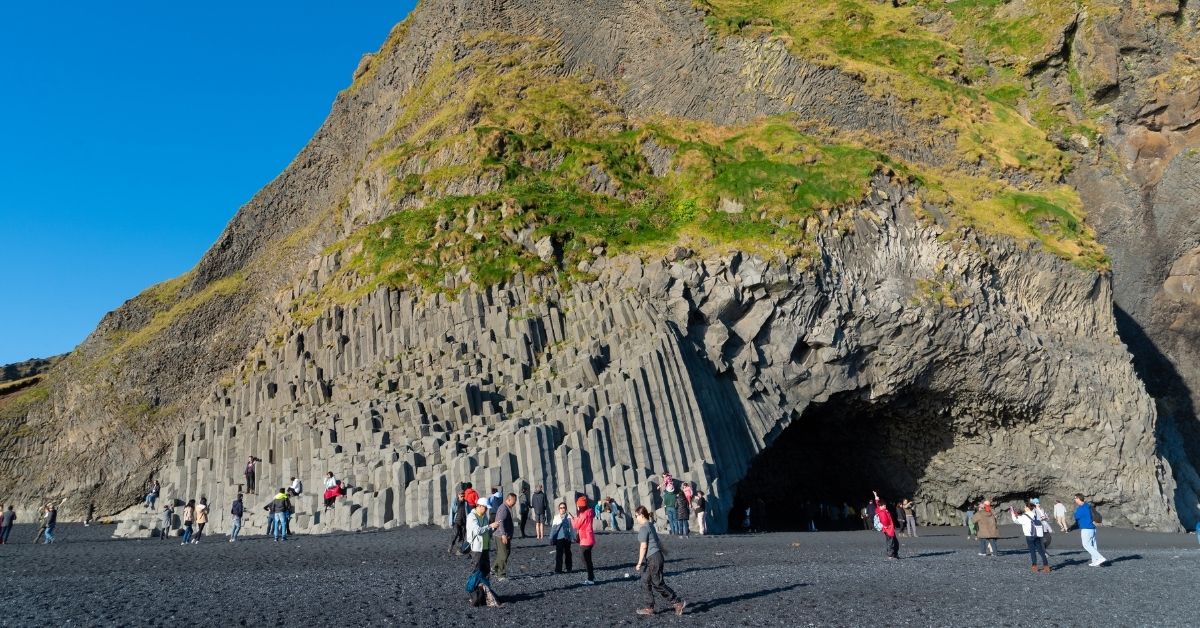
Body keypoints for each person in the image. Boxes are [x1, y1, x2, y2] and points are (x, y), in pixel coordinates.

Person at [633, 505, 686, 616]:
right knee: (645, 580)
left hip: (653, 558)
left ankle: (677, 602)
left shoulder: (644, 528)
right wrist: (663, 551)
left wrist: (639, 563)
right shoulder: (650, 525)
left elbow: (643, 546)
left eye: (636, 515)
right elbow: (657, 541)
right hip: (655, 557)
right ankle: (649, 607)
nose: (636, 518)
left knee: (657, 583)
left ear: (641, 515)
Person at [1011, 502, 1052, 572]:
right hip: (1037, 534)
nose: (1024, 508)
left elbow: (1016, 521)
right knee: (1041, 551)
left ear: (1027, 508)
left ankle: (1034, 566)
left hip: (1029, 536)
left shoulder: (1024, 516)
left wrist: (1012, 514)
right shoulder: (1034, 514)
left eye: (1025, 507)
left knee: (1032, 551)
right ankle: (1046, 566)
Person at [466, 500, 498, 579]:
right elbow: (477, 531)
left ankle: (485, 589)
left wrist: (494, 528)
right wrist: (490, 526)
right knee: (477, 571)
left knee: (486, 571)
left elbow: (486, 530)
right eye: (485, 508)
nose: (487, 510)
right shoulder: (472, 516)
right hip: (476, 548)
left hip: (485, 547)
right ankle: (475, 589)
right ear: (479, 506)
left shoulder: (484, 516)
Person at [1073, 493, 1107, 566]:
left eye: (1075, 498)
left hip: (1086, 529)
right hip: (1092, 528)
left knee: (1086, 545)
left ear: (1078, 498)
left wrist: (1070, 528)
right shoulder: (1088, 506)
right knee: (1093, 545)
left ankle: (1100, 558)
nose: (1074, 499)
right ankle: (1096, 561)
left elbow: (1077, 519)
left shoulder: (1080, 509)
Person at [492, 493, 517, 580]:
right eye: (514, 501)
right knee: (503, 555)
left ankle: (494, 568)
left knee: (505, 552)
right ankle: (501, 575)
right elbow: (500, 522)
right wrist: (503, 535)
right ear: (509, 500)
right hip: (500, 535)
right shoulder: (503, 509)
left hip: (505, 535)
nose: (515, 503)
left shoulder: (506, 507)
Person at [573, 495, 597, 584]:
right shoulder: (589, 512)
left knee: (586, 559)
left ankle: (590, 578)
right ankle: (591, 576)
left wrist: (574, 519)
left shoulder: (583, 514)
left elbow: (576, 525)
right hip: (589, 538)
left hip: (585, 539)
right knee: (587, 559)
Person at [872, 491, 898, 559]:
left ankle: (894, 554)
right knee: (891, 542)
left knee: (892, 541)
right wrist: (886, 525)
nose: (885, 506)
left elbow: (877, 503)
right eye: (884, 505)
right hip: (888, 529)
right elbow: (884, 520)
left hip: (888, 529)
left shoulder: (879, 509)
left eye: (885, 505)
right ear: (881, 506)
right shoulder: (882, 512)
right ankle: (891, 555)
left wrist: (876, 496)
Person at [550, 502, 575, 573]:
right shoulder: (556, 517)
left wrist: (574, 537)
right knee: (559, 554)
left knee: (568, 553)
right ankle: (558, 569)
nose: (562, 509)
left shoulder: (569, 517)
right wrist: (551, 537)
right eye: (561, 508)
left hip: (567, 538)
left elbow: (571, 528)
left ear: (566, 508)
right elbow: (553, 528)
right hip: (559, 538)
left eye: (564, 508)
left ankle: (569, 568)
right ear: (559, 509)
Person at [449, 485, 468, 555]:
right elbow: (452, 512)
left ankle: (459, 550)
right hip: (456, 521)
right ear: (458, 495)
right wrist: (451, 522)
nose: (463, 497)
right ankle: (451, 546)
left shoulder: (466, 502)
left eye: (464, 496)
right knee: (455, 534)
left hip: (464, 522)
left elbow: (468, 512)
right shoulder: (455, 502)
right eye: (461, 496)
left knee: (462, 536)